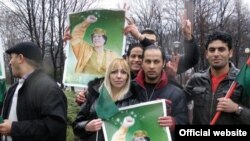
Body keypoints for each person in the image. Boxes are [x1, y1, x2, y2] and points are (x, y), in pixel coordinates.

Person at [0, 42, 67, 141]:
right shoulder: (12, 89)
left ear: (20, 58)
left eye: (11, 57)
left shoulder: (48, 88)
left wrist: (14, 128)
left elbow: (55, 127)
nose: (9, 62)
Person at [184, 31, 250, 124]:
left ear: (230, 53)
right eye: (212, 50)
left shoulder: (243, 80)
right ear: (207, 54)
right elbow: (178, 104)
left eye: (221, 49)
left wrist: (237, 109)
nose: (216, 54)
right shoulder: (196, 79)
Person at [130, 45, 189, 140]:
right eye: (148, 61)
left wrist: (174, 122)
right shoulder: (130, 87)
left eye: (156, 62)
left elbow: (185, 123)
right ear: (142, 63)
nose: (151, 66)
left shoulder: (176, 93)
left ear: (164, 63)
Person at [72, 58, 137, 141]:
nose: (119, 76)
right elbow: (76, 126)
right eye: (114, 72)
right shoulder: (94, 94)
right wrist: (86, 126)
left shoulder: (133, 100)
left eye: (123, 72)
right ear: (108, 75)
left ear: (128, 76)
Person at [124, 10, 199, 76]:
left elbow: (191, 59)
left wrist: (188, 37)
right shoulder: (122, 70)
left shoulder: (165, 62)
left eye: (152, 43)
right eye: (144, 42)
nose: (149, 46)